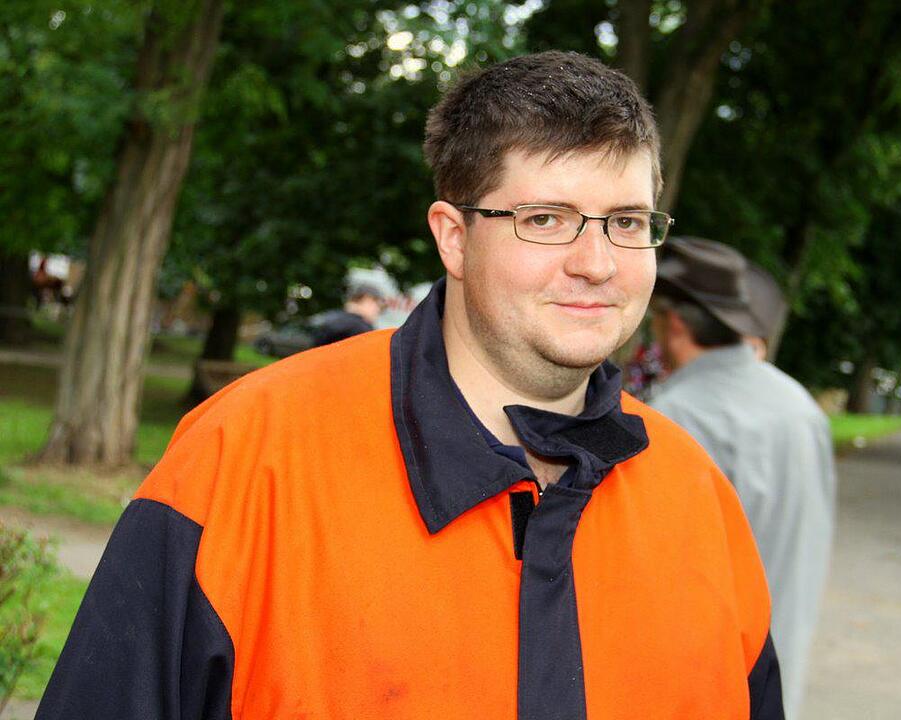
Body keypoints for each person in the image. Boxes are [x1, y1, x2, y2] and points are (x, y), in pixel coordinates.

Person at [37, 53, 782, 720]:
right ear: (453, 236)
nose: (597, 262)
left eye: (626, 221)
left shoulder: (700, 499)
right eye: (546, 218)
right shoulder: (247, 459)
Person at [648, 237, 836, 720]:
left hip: (707, 686)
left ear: (674, 323)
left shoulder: (679, 417)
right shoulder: (799, 405)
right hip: (777, 672)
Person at [310, 281, 384, 346]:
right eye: (378, 305)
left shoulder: (329, 317)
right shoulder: (360, 327)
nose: (378, 311)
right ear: (367, 299)